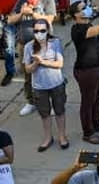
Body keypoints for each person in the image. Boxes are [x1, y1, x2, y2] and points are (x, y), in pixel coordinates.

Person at [69, 0, 99, 143]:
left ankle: (96, 123)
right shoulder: (79, 30)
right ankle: (88, 132)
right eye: (83, 8)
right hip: (86, 71)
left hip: (96, 68)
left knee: (97, 95)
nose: (88, 9)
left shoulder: (87, 24)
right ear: (76, 15)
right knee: (88, 101)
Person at [9, 0, 56, 117]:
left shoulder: (47, 0)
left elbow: (49, 20)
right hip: (25, 44)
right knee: (28, 75)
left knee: (49, 74)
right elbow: (11, 20)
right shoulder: (22, 0)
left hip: (44, 44)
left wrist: (34, 13)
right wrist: (22, 13)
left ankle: (53, 103)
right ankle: (31, 102)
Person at [24, 19, 69, 152]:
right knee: (45, 113)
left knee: (59, 111)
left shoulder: (55, 43)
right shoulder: (29, 47)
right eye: (36, 31)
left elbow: (60, 64)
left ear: (48, 31)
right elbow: (28, 69)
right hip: (39, 86)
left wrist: (42, 61)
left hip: (56, 83)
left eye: (42, 30)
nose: (39, 33)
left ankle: (62, 136)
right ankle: (48, 138)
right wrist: (36, 63)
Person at [0, 0, 29, 86]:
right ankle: (10, 71)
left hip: (22, 14)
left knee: (25, 42)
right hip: (7, 17)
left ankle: (28, 67)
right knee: (9, 46)